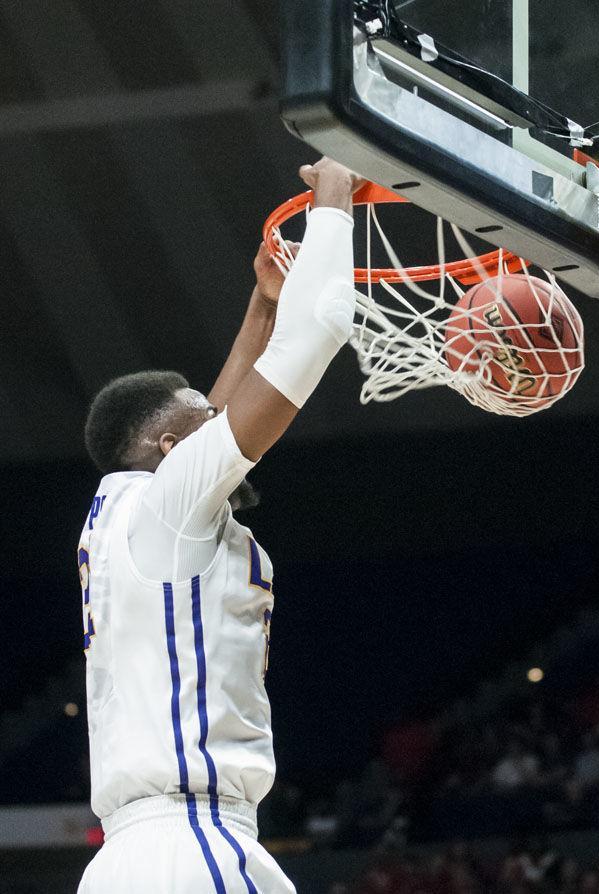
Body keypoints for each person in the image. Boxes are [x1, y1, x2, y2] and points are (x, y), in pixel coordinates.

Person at [76, 158, 364, 893]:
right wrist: (333, 201)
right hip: (189, 845)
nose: (219, 415)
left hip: (132, 857)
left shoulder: (124, 515)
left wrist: (262, 307)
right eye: (203, 421)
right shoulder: (167, 505)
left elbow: (207, 410)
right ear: (169, 451)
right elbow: (325, 327)